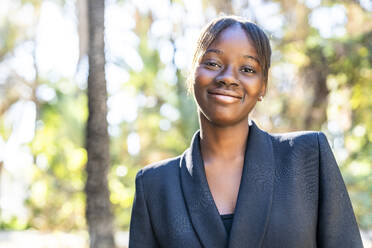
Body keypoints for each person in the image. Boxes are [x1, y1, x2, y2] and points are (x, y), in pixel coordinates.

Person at [129, 16, 363, 248]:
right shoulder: (154, 186)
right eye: (212, 63)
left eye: (248, 69)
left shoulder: (308, 157)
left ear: (263, 86)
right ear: (193, 74)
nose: (228, 77)